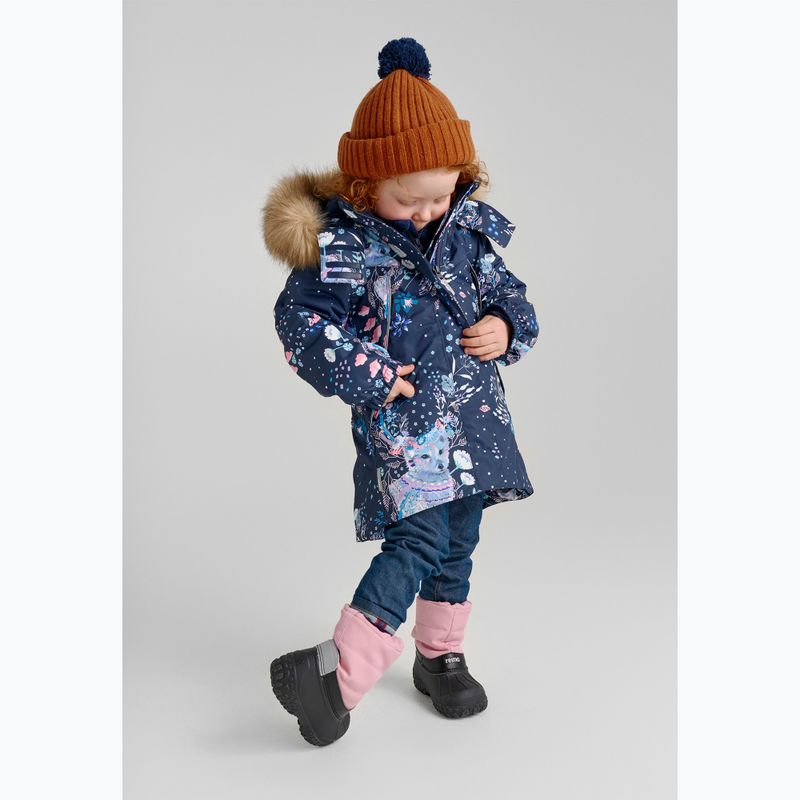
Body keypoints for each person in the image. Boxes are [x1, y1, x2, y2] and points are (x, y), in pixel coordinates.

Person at [261, 37, 540, 746]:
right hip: (407, 431)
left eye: (439, 195)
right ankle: (337, 676)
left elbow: (513, 296)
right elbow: (299, 323)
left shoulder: (467, 235)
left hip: (474, 424)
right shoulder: (346, 247)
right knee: (417, 541)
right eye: (406, 198)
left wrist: (506, 325)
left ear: (462, 179)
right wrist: (372, 374)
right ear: (365, 187)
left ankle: (440, 657)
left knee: (458, 542)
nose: (424, 211)